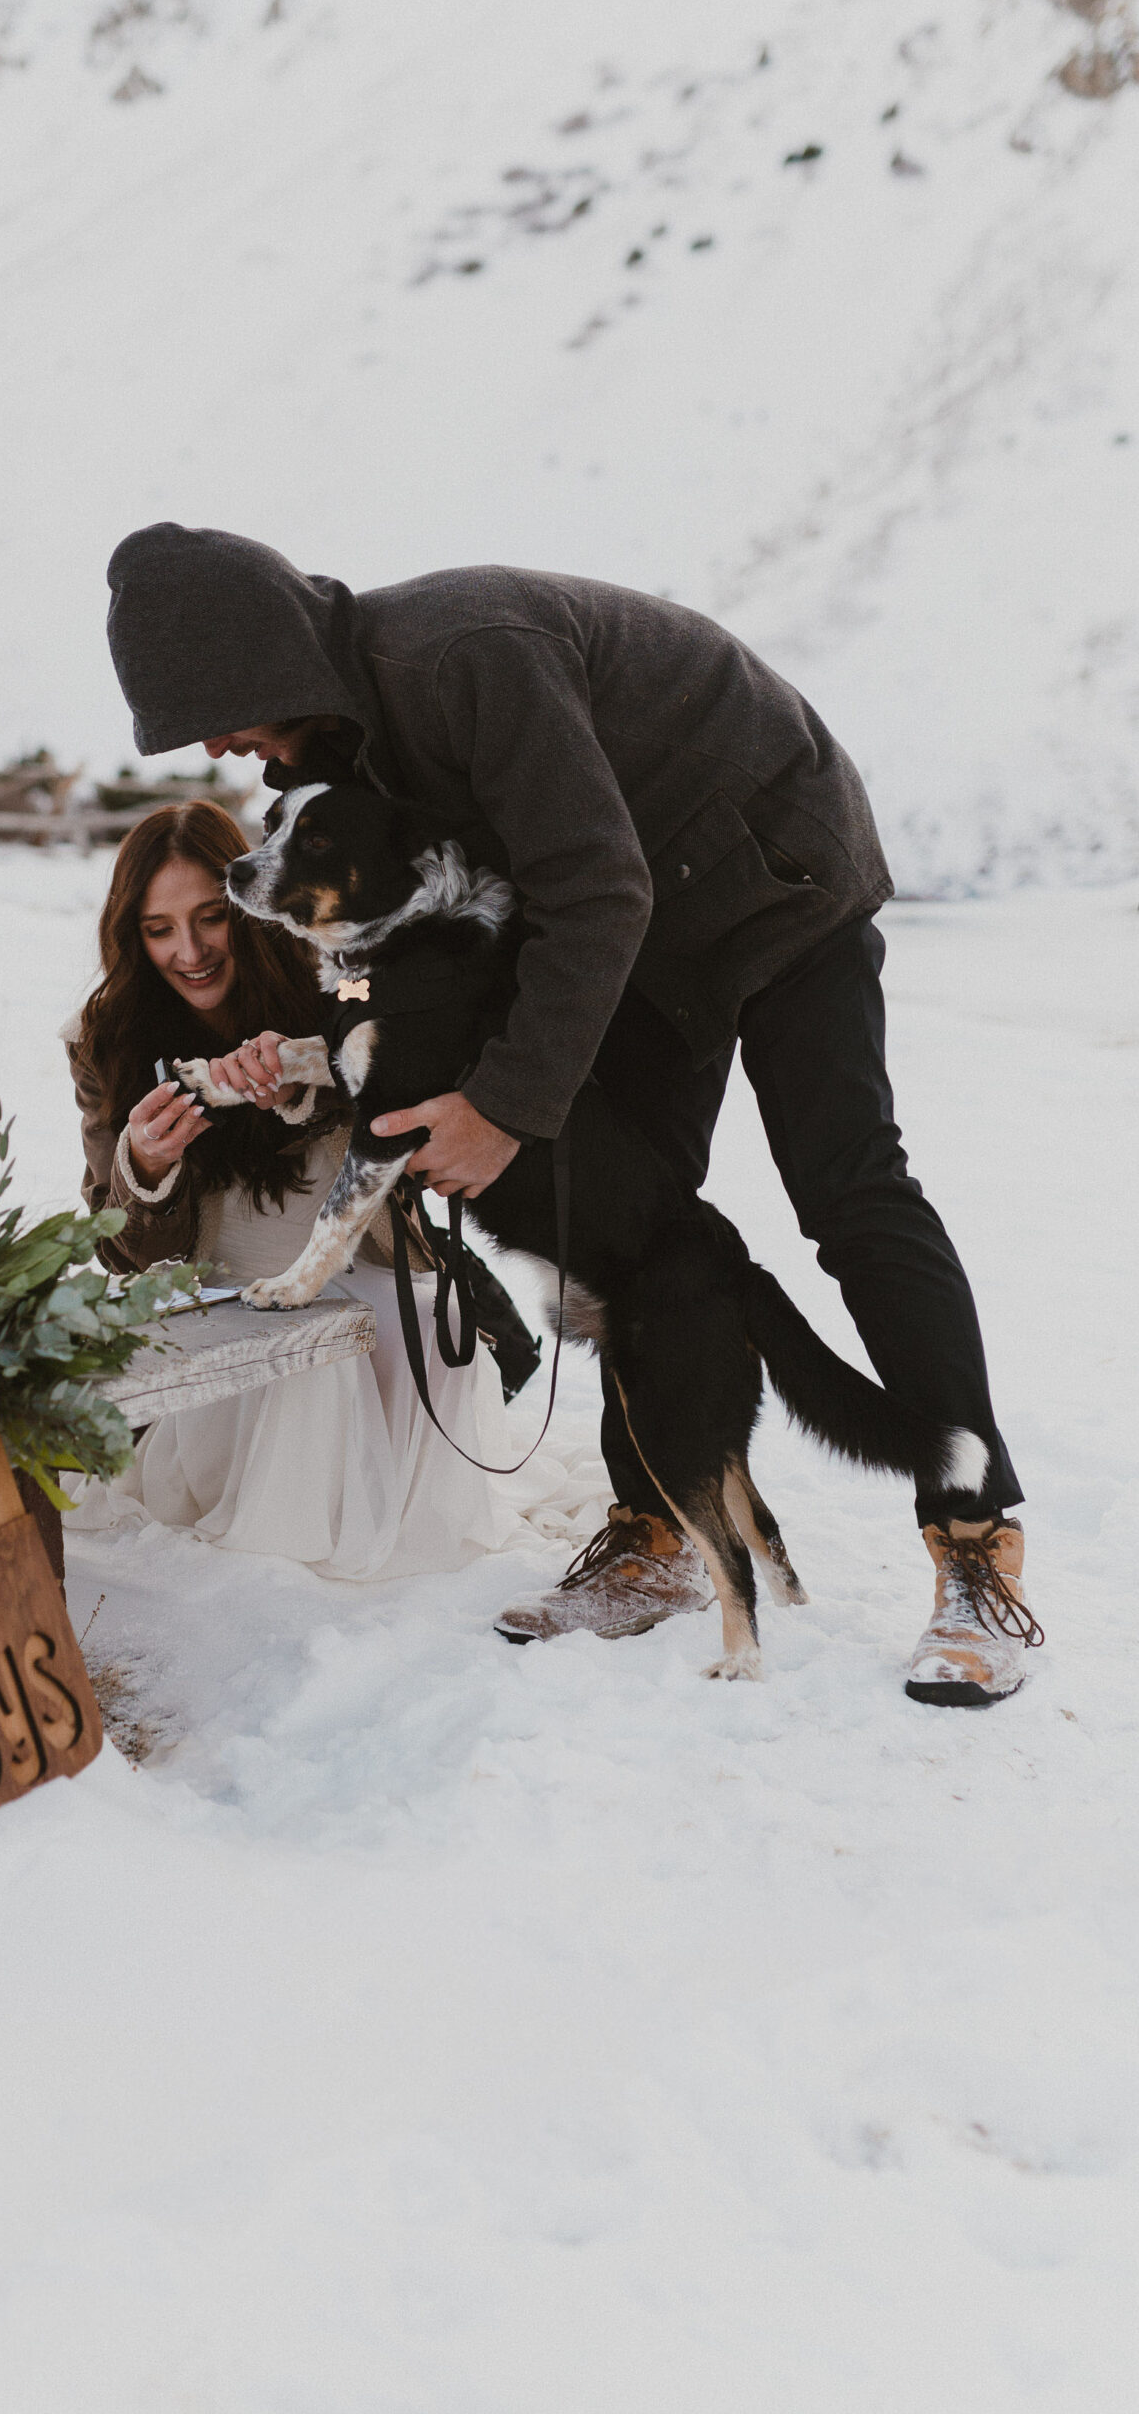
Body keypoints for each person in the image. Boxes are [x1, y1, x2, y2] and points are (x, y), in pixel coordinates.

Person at [104, 523, 1040, 1706]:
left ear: (271, 659)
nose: (217, 744)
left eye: (216, 709)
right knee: (631, 1224)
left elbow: (597, 882)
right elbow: (370, 948)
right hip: (633, 932)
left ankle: (973, 1554)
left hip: (769, 881)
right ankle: (653, 1533)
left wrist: (501, 1102)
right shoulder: (335, 752)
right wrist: (338, 1033)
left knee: (848, 1193)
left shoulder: (463, 657)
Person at [63, 798, 526, 1578]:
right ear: (132, 936)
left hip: (352, 1265)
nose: (190, 951)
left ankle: (405, 1533)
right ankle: (287, 1539)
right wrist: (143, 1166)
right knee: (310, 1350)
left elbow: (408, 1072)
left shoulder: (335, 983)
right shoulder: (108, 1037)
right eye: (158, 929)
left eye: (210, 917)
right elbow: (120, 1250)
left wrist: (311, 1070)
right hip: (214, 1297)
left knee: (433, 1319)